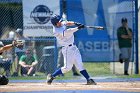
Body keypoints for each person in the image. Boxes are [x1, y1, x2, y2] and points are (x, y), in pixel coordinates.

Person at [47, 15, 96, 85]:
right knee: (67, 68)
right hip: (67, 49)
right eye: (58, 22)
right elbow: (68, 32)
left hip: (74, 47)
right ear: (55, 24)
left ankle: (89, 79)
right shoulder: (57, 30)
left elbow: (67, 23)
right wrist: (78, 28)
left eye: (60, 21)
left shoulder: (60, 23)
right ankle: (52, 76)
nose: (60, 22)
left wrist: (76, 23)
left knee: (80, 65)